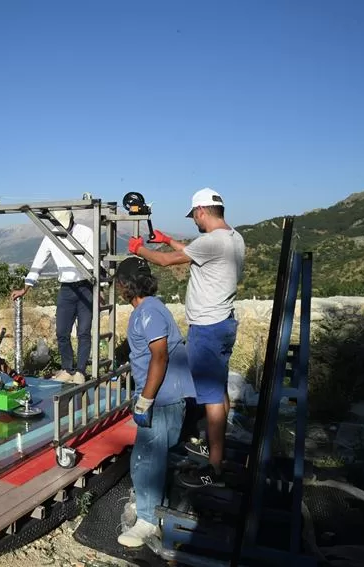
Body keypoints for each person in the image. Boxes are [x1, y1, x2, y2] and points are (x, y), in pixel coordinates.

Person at [128, 188, 245, 488]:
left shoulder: (210, 241)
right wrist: (167, 240)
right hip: (224, 323)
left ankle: (214, 467)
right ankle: (214, 445)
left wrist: (139, 250)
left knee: (211, 396)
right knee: (217, 389)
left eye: (194, 215)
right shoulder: (233, 238)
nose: (194, 220)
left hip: (207, 328)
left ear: (201, 211)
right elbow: (193, 252)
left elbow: (168, 262)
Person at [114, 257, 196, 547]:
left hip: (162, 398)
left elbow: (160, 356)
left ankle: (148, 521)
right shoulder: (150, 308)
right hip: (162, 395)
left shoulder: (149, 312)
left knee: (150, 459)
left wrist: (146, 398)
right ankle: (147, 504)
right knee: (143, 457)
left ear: (124, 285)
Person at [10, 210, 94, 384]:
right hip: (66, 289)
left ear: (72, 219)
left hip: (86, 286)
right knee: (62, 331)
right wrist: (26, 288)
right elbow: (39, 261)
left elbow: (94, 261)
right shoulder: (51, 236)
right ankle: (67, 369)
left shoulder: (86, 232)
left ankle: (80, 371)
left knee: (83, 332)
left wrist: (99, 287)